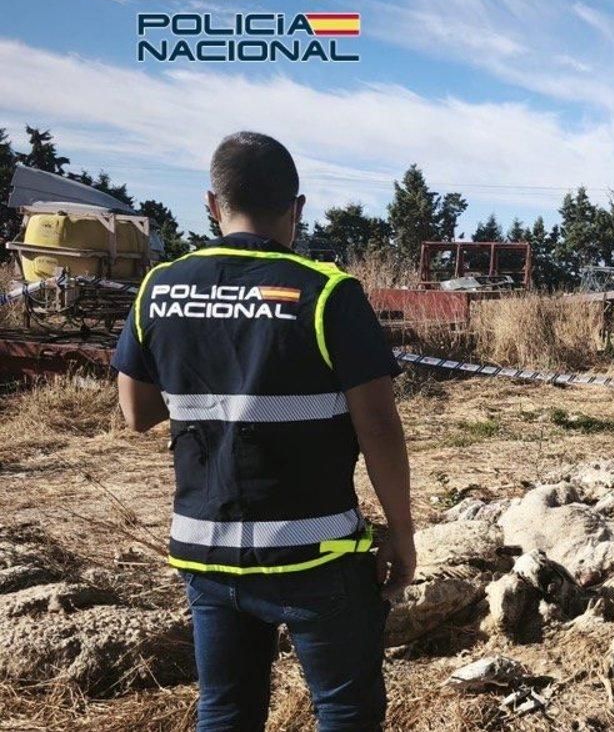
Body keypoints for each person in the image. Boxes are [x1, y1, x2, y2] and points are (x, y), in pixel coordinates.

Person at [113, 131, 415, 731]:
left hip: (207, 552)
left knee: (226, 711)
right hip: (316, 554)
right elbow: (378, 426)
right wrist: (402, 535)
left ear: (210, 203)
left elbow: (137, 414)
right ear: (298, 208)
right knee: (346, 712)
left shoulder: (160, 289)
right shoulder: (327, 293)